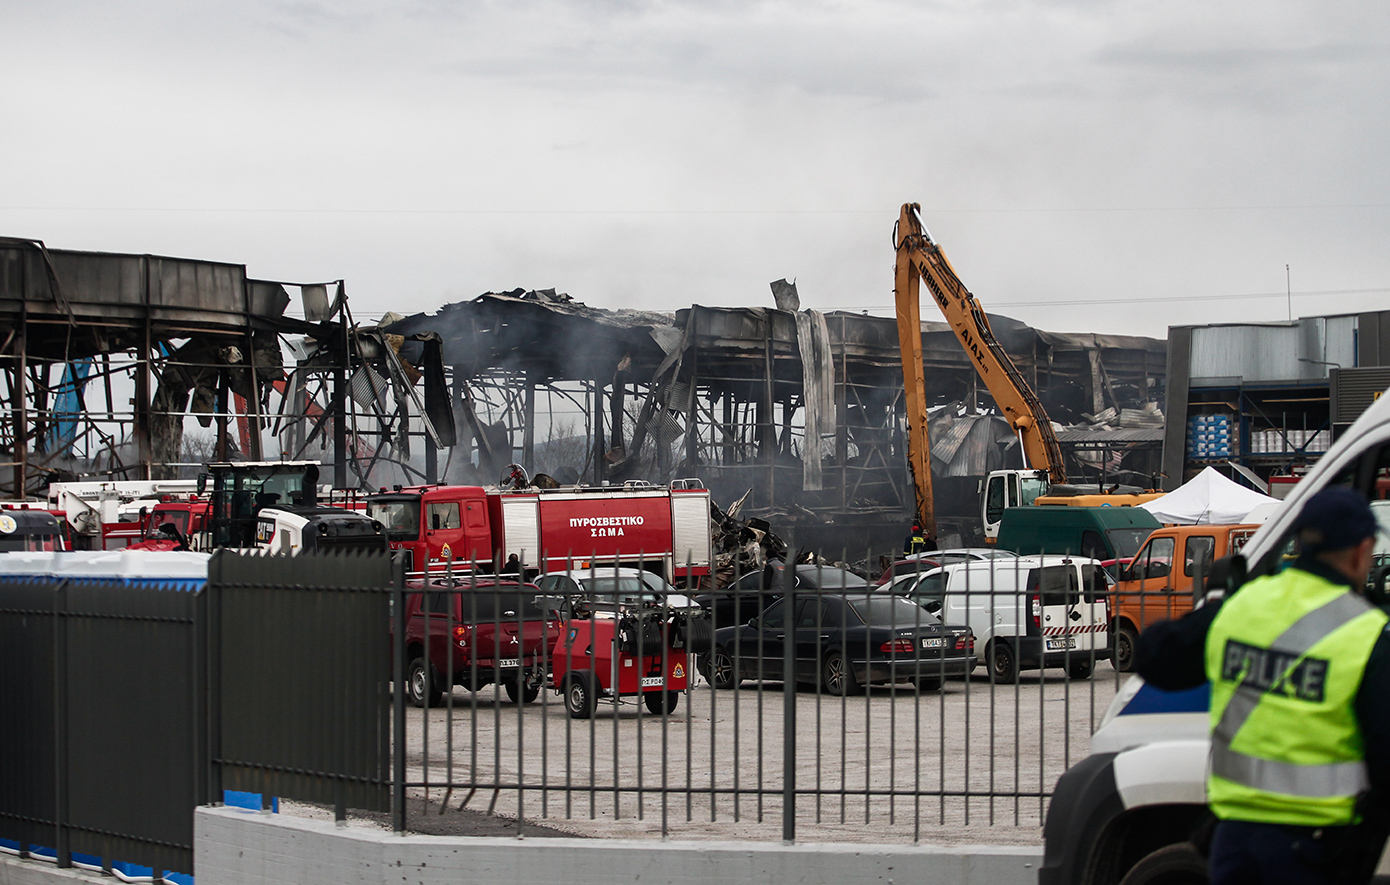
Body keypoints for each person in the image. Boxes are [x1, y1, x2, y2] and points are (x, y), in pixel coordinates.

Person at [1136, 486, 1390, 884]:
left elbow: (1153, 657)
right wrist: (1364, 846)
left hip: (1235, 842)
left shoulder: (1243, 605)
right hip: (1316, 851)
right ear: (1362, 551)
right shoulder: (1367, 633)